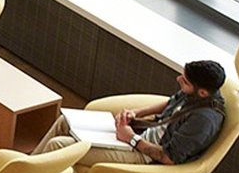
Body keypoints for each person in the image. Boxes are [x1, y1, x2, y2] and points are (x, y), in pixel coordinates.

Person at [38, 59, 228, 167]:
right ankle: (20, 172)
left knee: (59, 145)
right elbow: (171, 102)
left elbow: (169, 158)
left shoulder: (203, 121)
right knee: (65, 121)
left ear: (203, 92)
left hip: (144, 155)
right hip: (136, 135)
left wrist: (131, 139)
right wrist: (135, 113)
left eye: (184, 81)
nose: (178, 79)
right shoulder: (198, 94)